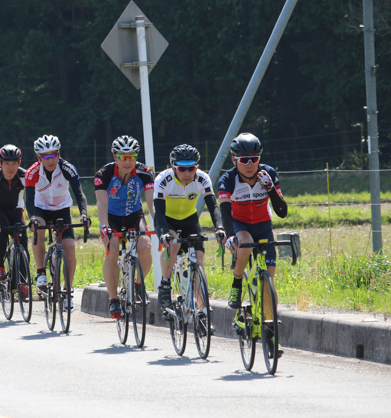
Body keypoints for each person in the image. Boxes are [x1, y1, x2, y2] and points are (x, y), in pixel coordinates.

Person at [218, 133, 288, 354]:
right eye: (244, 160)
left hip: (263, 225)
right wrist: (230, 236)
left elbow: (282, 212)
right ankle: (237, 283)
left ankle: (271, 335)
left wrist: (270, 189)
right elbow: (226, 214)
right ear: (234, 160)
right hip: (239, 224)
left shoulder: (269, 174)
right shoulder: (227, 180)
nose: (250, 165)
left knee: (268, 281)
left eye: (254, 159)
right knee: (245, 242)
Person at [153, 144, 225, 332]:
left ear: (197, 167)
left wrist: (219, 228)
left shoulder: (202, 178)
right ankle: (165, 284)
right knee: (174, 245)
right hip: (167, 221)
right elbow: (158, 212)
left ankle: (203, 313)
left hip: (189, 221)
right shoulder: (163, 179)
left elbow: (213, 206)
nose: (186, 172)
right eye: (181, 168)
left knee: (198, 262)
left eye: (191, 168)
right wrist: (163, 233)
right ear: (173, 167)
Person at [25, 134, 90, 312]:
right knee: (38, 229)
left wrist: (84, 214)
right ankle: (40, 273)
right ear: (39, 158)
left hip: (62, 209)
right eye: (46, 156)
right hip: (40, 208)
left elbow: (79, 194)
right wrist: (31, 217)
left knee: (69, 248)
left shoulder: (67, 168)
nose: (50, 159)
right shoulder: (32, 172)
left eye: (54, 154)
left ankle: (68, 292)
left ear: (59, 154)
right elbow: (29, 199)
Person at [95, 135, 155, 319]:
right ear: (115, 156)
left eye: (132, 156)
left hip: (134, 216)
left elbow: (151, 204)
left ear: (136, 156)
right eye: (123, 157)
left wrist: (160, 225)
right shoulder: (103, 174)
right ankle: (113, 300)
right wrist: (104, 226)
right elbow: (102, 204)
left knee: (145, 247)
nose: (127, 161)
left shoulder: (145, 172)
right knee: (112, 249)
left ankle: (138, 285)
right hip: (111, 218)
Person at [0, 144, 29, 301]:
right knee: (2, 231)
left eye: (14, 163)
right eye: (7, 164)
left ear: (19, 163)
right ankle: (0, 267)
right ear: (0, 164)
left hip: (17, 210)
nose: (11, 168)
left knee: (23, 243)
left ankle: (23, 283)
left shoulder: (25, 176)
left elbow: (32, 200)